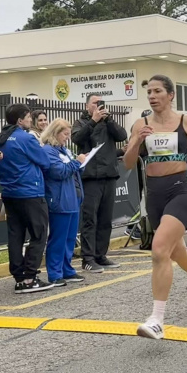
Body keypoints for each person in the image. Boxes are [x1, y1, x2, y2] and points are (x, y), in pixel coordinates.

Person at [123, 75, 187, 340]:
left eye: (157, 91)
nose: (152, 96)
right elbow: (128, 163)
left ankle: (157, 320)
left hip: (179, 190)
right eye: (149, 92)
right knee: (176, 250)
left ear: (170, 95)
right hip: (154, 194)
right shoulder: (141, 124)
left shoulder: (186, 121)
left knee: (159, 250)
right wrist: (136, 141)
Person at [0, 103, 54, 293]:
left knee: (16, 236)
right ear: (20, 120)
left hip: (10, 192)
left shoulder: (1, 139)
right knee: (39, 234)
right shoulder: (26, 138)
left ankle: (19, 277)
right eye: (28, 117)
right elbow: (45, 161)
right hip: (30, 192)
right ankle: (30, 277)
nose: (30, 120)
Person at [72, 94, 128, 273]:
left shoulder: (108, 122)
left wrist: (108, 120)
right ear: (87, 106)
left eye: (100, 103)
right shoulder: (80, 122)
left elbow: (122, 135)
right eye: (95, 103)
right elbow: (77, 139)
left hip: (109, 175)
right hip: (91, 177)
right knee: (90, 219)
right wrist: (93, 121)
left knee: (105, 219)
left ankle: (100, 255)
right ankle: (88, 258)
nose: (98, 106)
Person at [41, 119, 88, 286]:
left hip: (72, 198)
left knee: (69, 238)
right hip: (60, 199)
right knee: (58, 238)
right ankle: (55, 273)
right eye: (65, 134)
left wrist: (81, 163)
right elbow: (58, 172)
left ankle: (67, 269)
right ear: (55, 133)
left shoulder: (63, 150)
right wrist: (77, 162)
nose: (67, 137)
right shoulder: (48, 151)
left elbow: (72, 170)